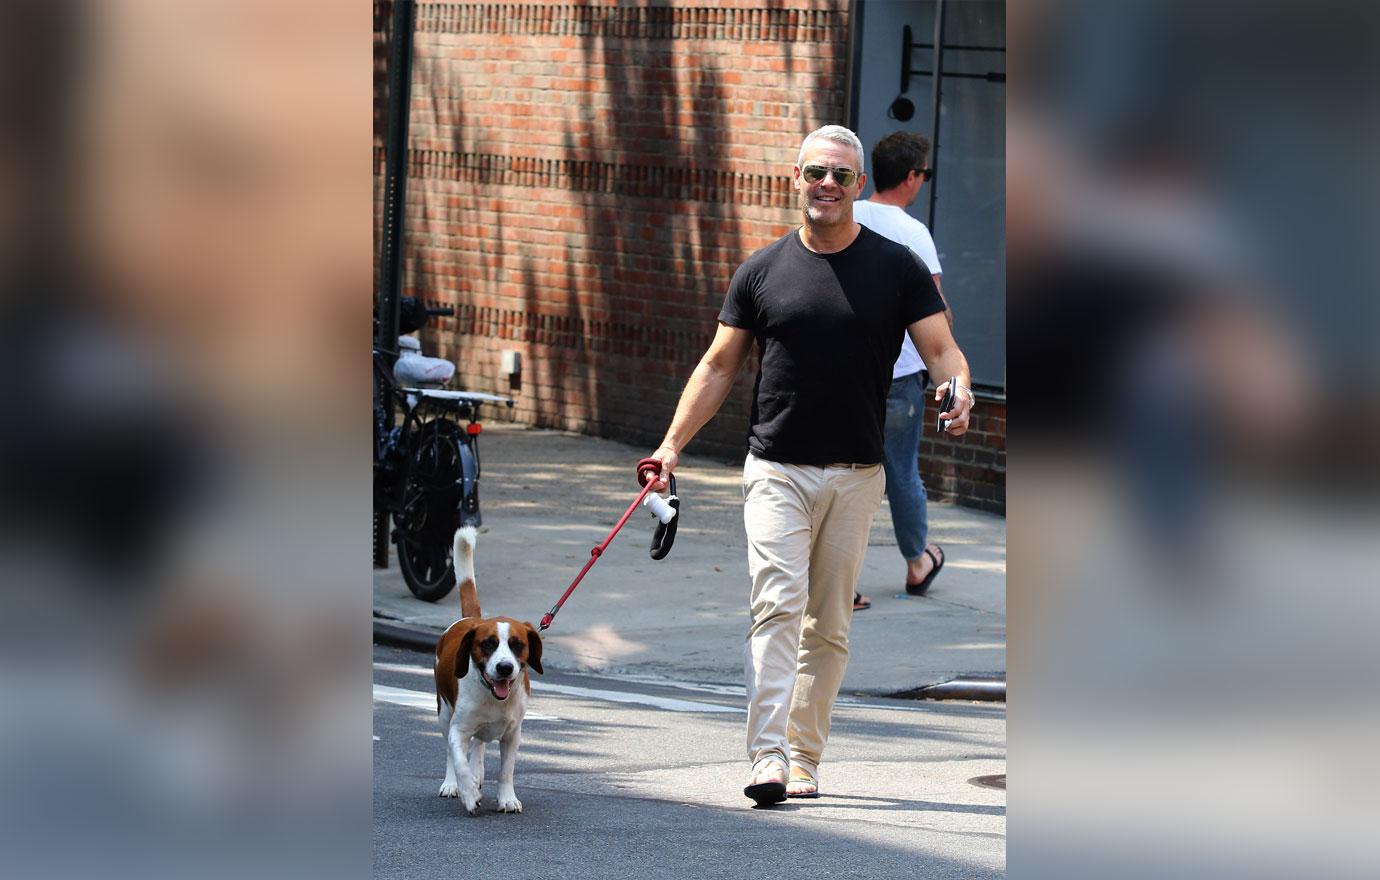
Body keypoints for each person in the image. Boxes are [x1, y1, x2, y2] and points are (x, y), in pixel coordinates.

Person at [645, 125, 974, 804]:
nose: (827, 184)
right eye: (816, 172)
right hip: (777, 469)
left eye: (842, 176)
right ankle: (766, 757)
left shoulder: (896, 267)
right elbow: (717, 367)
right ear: (794, 179)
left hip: (857, 474)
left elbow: (942, 350)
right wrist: (671, 446)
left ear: (858, 186)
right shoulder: (761, 271)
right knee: (776, 609)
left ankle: (804, 758)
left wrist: (958, 387)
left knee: (828, 624)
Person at [852, 132, 950, 601]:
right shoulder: (913, 233)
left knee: (840, 474)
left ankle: (840, 584)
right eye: (924, 174)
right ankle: (917, 562)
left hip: (845, 370)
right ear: (911, 177)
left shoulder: (846, 215)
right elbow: (936, 311)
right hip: (898, 376)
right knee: (901, 473)